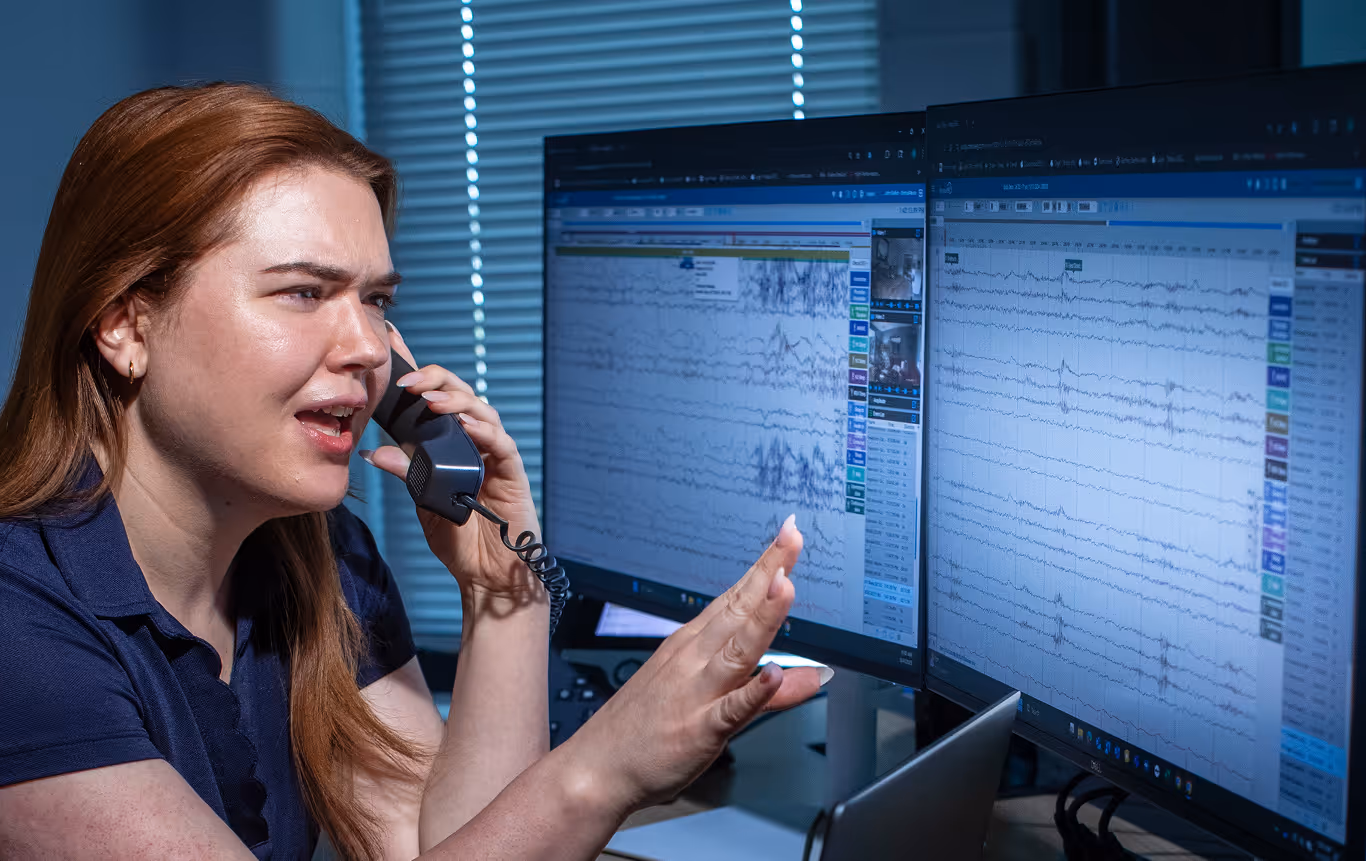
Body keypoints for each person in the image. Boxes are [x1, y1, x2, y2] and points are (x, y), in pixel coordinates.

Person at [0, 84, 821, 860]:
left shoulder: (318, 555)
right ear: (123, 324)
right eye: (302, 292)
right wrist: (607, 768)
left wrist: (506, 590)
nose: (367, 348)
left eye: (376, 301)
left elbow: (444, 846)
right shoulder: (18, 626)